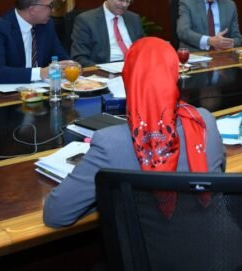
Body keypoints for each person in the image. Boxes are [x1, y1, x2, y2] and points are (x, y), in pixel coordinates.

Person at [43, 37, 226, 228]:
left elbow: (56, 214)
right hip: (217, 240)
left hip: (152, 246)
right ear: (175, 77)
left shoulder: (109, 144)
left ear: (127, 80)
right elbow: (218, 171)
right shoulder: (204, 121)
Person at [71, 0, 144, 66]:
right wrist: (102, 70)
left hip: (134, 68)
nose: (124, 4)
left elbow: (142, 50)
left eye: (128, 1)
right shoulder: (86, 20)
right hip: (103, 69)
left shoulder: (133, 19)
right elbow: (80, 57)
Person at [176, 0, 242, 51]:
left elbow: (237, 39)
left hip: (221, 54)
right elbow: (183, 32)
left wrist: (225, 44)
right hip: (196, 54)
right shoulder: (187, 2)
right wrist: (209, 41)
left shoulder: (230, 5)